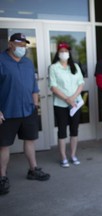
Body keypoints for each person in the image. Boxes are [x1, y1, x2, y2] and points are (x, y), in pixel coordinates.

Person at [0, 33, 50, 195]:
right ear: (10, 44)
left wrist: (35, 104)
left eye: (24, 45)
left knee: (30, 140)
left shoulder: (28, 63)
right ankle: (2, 177)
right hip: (7, 111)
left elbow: (33, 86)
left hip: (28, 110)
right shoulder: (1, 61)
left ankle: (33, 169)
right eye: (19, 44)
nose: (22, 48)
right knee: (4, 145)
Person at [49, 42, 85, 168]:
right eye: (62, 51)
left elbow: (81, 83)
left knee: (74, 130)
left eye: (66, 51)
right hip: (60, 104)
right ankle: (63, 157)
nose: (64, 53)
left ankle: (73, 155)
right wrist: (67, 99)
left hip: (75, 104)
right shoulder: (54, 67)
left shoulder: (75, 66)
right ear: (58, 53)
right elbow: (53, 86)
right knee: (62, 131)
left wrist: (73, 98)